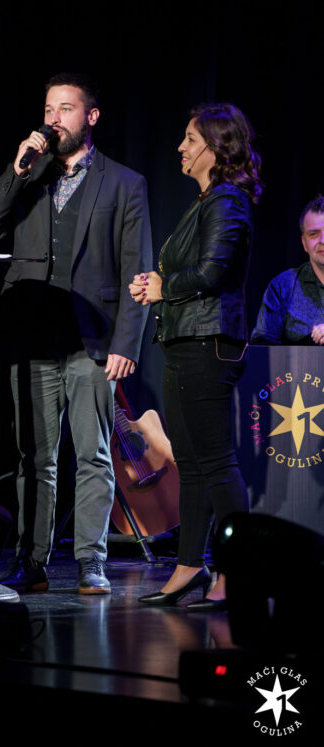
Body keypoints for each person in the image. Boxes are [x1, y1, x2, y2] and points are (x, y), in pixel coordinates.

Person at [0, 73, 152, 594]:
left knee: (93, 455)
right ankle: (31, 561)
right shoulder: (30, 174)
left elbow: (136, 268)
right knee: (35, 457)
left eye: (66, 109)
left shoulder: (124, 183)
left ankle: (91, 562)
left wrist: (125, 344)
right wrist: (15, 171)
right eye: (49, 109)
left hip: (91, 341)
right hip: (31, 339)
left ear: (90, 117)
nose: (54, 120)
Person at [130, 103, 262, 610]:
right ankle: (190, 566)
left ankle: (236, 571)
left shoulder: (228, 200)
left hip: (209, 345)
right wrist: (156, 283)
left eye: (190, 139)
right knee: (191, 462)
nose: (181, 148)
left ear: (216, 147)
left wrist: (164, 288)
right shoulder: (205, 201)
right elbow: (192, 271)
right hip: (186, 341)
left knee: (217, 462)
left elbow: (212, 272)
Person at [251, 195, 324, 345]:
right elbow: (262, 348)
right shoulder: (283, 286)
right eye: (313, 234)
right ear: (304, 243)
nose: (322, 240)